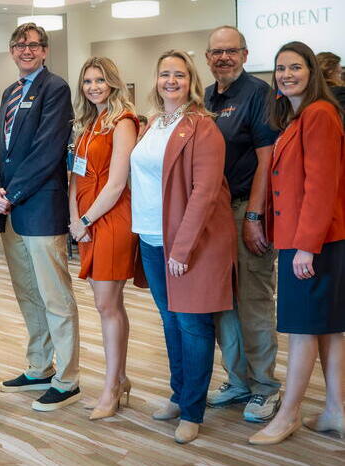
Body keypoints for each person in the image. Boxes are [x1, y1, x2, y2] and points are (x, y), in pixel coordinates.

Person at [130, 49, 236, 444]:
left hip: (187, 243)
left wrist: (182, 248)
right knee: (170, 320)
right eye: (164, 74)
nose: (170, 81)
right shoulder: (153, 122)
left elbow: (205, 192)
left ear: (191, 81)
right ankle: (179, 395)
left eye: (178, 74)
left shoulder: (202, 126)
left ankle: (193, 410)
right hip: (150, 237)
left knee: (193, 325)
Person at [249, 41, 345, 445]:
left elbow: (321, 187)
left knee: (304, 330)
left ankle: (287, 414)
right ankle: (337, 412)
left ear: (313, 73)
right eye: (280, 68)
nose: (286, 74)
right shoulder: (299, 116)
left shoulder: (319, 114)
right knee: (329, 330)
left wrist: (306, 245)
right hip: (314, 241)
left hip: (313, 243)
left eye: (295, 67)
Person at [0, 22, 81, 411]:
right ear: (12, 51)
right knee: (28, 294)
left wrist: (14, 194)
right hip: (11, 212)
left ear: (45, 51)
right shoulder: (9, 93)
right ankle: (40, 366)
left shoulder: (55, 88)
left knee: (55, 297)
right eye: (19, 45)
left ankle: (68, 378)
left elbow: (47, 151)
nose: (26, 50)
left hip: (40, 208)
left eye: (33, 45)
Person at [203, 25, 281, 422]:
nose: (223, 57)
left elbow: (268, 160)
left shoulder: (259, 95)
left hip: (244, 209)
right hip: (213, 216)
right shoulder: (206, 96)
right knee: (223, 304)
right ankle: (238, 381)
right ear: (207, 58)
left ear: (246, 54)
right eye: (217, 52)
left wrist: (253, 217)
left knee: (252, 301)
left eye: (231, 51)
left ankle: (265, 387)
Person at [68, 56, 137, 420]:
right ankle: (120, 377)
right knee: (108, 305)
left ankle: (111, 388)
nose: (93, 86)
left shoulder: (123, 122)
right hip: (86, 221)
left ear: (112, 82)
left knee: (107, 305)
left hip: (110, 218)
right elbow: (76, 176)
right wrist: (73, 219)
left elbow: (117, 183)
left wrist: (86, 219)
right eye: (87, 81)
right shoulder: (88, 124)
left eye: (99, 80)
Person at [316, 52, 345, 117]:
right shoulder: (339, 92)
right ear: (330, 70)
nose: (341, 69)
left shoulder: (313, 92)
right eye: (338, 65)